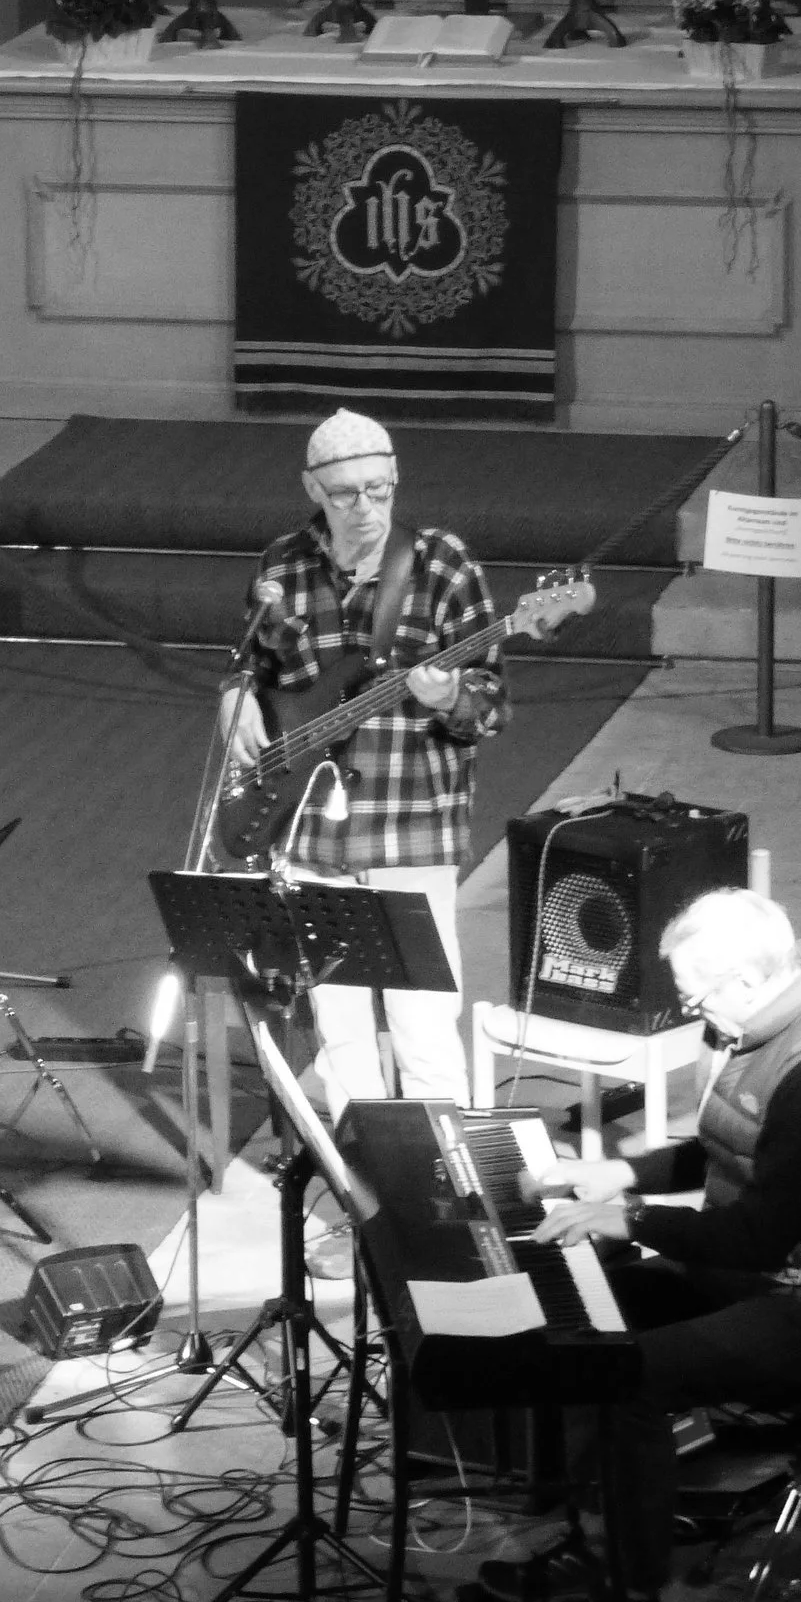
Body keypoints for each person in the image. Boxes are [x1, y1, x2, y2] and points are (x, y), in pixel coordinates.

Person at [495, 887, 801, 1602]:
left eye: (696, 995)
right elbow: (734, 1152)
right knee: (592, 1303)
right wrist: (616, 1169)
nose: (691, 1012)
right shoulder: (778, 1015)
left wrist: (625, 1214)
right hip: (783, 1273)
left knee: (629, 1377)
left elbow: (758, 1234)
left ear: (747, 980)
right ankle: (594, 1536)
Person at [225, 407, 508, 1121]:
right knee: (341, 1029)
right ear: (312, 489)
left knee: (423, 1025)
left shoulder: (444, 565)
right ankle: (369, 1184)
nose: (366, 508)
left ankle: (443, 1183)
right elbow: (250, 666)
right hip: (310, 825)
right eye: (347, 492)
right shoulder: (280, 564)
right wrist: (232, 702)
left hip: (411, 825)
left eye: (380, 489)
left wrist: (451, 697)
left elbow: (493, 705)